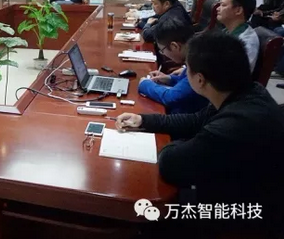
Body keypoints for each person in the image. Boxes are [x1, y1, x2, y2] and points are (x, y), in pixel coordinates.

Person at [117, 32, 284, 234]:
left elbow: (170, 163)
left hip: (240, 217)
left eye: (187, 69)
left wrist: (176, 144)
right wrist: (144, 120)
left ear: (199, 79)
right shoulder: (245, 91)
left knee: (146, 213)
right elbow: (196, 120)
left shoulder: (231, 127)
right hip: (238, 191)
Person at [138, 19, 209, 114]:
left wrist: (145, 84)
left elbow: (171, 97)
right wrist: (170, 79)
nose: (163, 54)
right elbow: (186, 83)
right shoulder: (195, 51)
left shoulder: (197, 62)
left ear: (174, 46)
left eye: (162, 50)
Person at [216, 0, 259, 72]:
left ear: (238, 10)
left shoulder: (246, 41)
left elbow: (237, 74)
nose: (218, 9)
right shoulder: (227, 31)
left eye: (223, 5)